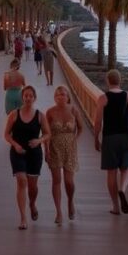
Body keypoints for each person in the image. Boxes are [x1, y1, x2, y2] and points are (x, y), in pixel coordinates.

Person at [93, 69, 128, 215]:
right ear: (120, 81)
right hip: (125, 137)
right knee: (126, 167)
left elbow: (97, 121)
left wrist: (96, 138)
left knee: (111, 173)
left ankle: (115, 206)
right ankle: (123, 189)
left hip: (109, 138)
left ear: (108, 81)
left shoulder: (103, 98)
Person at [5, 86, 50, 229]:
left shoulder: (39, 115)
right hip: (18, 152)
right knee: (21, 181)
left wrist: (39, 141)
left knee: (32, 186)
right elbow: (6, 134)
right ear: (22, 97)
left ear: (34, 98)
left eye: (31, 96)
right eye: (26, 96)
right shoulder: (14, 114)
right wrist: (15, 145)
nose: (28, 98)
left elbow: (48, 133)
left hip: (34, 154)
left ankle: (32, 204)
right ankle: (23, 218)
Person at [45, 85, 84, 224]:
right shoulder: (49, 112)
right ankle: (59, 212)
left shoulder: (73, 110)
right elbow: (46, 133)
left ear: (68, 97)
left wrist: (75, 140)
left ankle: (70, 201)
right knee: (56, 181)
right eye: (58, 95)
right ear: (55, 98)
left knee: (69, 181)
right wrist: (46, 150)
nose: (60, 96)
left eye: (63, 94)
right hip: (54, 147)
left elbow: (80, 128)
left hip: (70, 149)